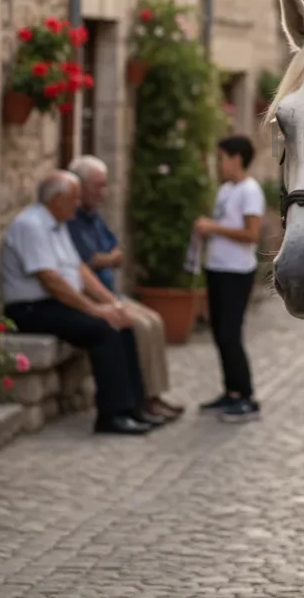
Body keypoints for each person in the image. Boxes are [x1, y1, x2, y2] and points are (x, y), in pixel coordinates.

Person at [0, 171, 160, 435]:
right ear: (57, 199)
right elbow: (51, 280)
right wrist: (96, 310)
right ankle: (112, 415)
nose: (78, 203)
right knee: (104, 330)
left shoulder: (58, 223)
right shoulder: (31, 226)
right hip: (30, 309)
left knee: (122, 322)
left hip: (53, 304)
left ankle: (134, 406)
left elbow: (79, 271)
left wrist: (113, 303)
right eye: (73, 198)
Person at [67, 155, 183, 422]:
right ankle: (141, 399)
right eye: (98, 186)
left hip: (111, 293)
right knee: (139, 326)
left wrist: (103, 258)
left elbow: (113, 251)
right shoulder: (71, 221)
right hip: (94, 296)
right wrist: (106, 259)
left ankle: (154, 395)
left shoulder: (93, 217)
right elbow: (89, 261)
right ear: (81, 186)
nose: (103, 193)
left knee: (154, 321)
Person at [193, 135, 265, 422]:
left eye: (222, 158)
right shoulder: (225, 191)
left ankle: (246, 396)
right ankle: (230, 391)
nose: (219, 164)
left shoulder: (251, 191)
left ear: (237, 158)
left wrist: (214, 228)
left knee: (231, 334)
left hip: (237, 272)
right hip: (217, 268)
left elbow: (252, 234)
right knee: (219, 333)